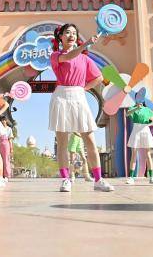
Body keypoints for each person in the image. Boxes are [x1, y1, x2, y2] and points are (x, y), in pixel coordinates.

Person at [49, 23, 114, 193]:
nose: (71, 35)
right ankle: (65, 179)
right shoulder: (56, 55)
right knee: (62, 142)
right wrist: (85, 45)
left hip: (79, 97)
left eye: (74, 33)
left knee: (90, 140)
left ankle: (98, 180)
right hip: (61, 97)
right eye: (67, 33)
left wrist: (83, 88)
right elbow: (68, 57)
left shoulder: (85, 59)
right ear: (60, 37)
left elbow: (99, 77)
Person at [126, 101, 153, 185]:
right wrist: (136, 108)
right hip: (136, 129)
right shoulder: (132, 108)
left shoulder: (147, 109)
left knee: (148, 154)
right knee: (134, 154)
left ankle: (151, 177)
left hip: (145, 129)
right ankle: (131, 177)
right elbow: (127, 114)